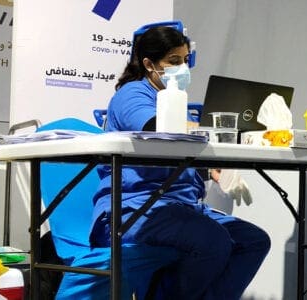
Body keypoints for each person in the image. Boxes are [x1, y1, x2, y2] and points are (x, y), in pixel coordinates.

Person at [92, 25, 271, 299]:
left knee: (254, 241)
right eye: (174, 61)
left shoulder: (174, 100)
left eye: (186, 60)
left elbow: (175, 156)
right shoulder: (132, 94)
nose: (183, 68)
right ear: (149, 64)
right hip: (136, 208)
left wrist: (213, 171)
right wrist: (203, 129)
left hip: (182, 207)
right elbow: (157, 128)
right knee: (213, 242)